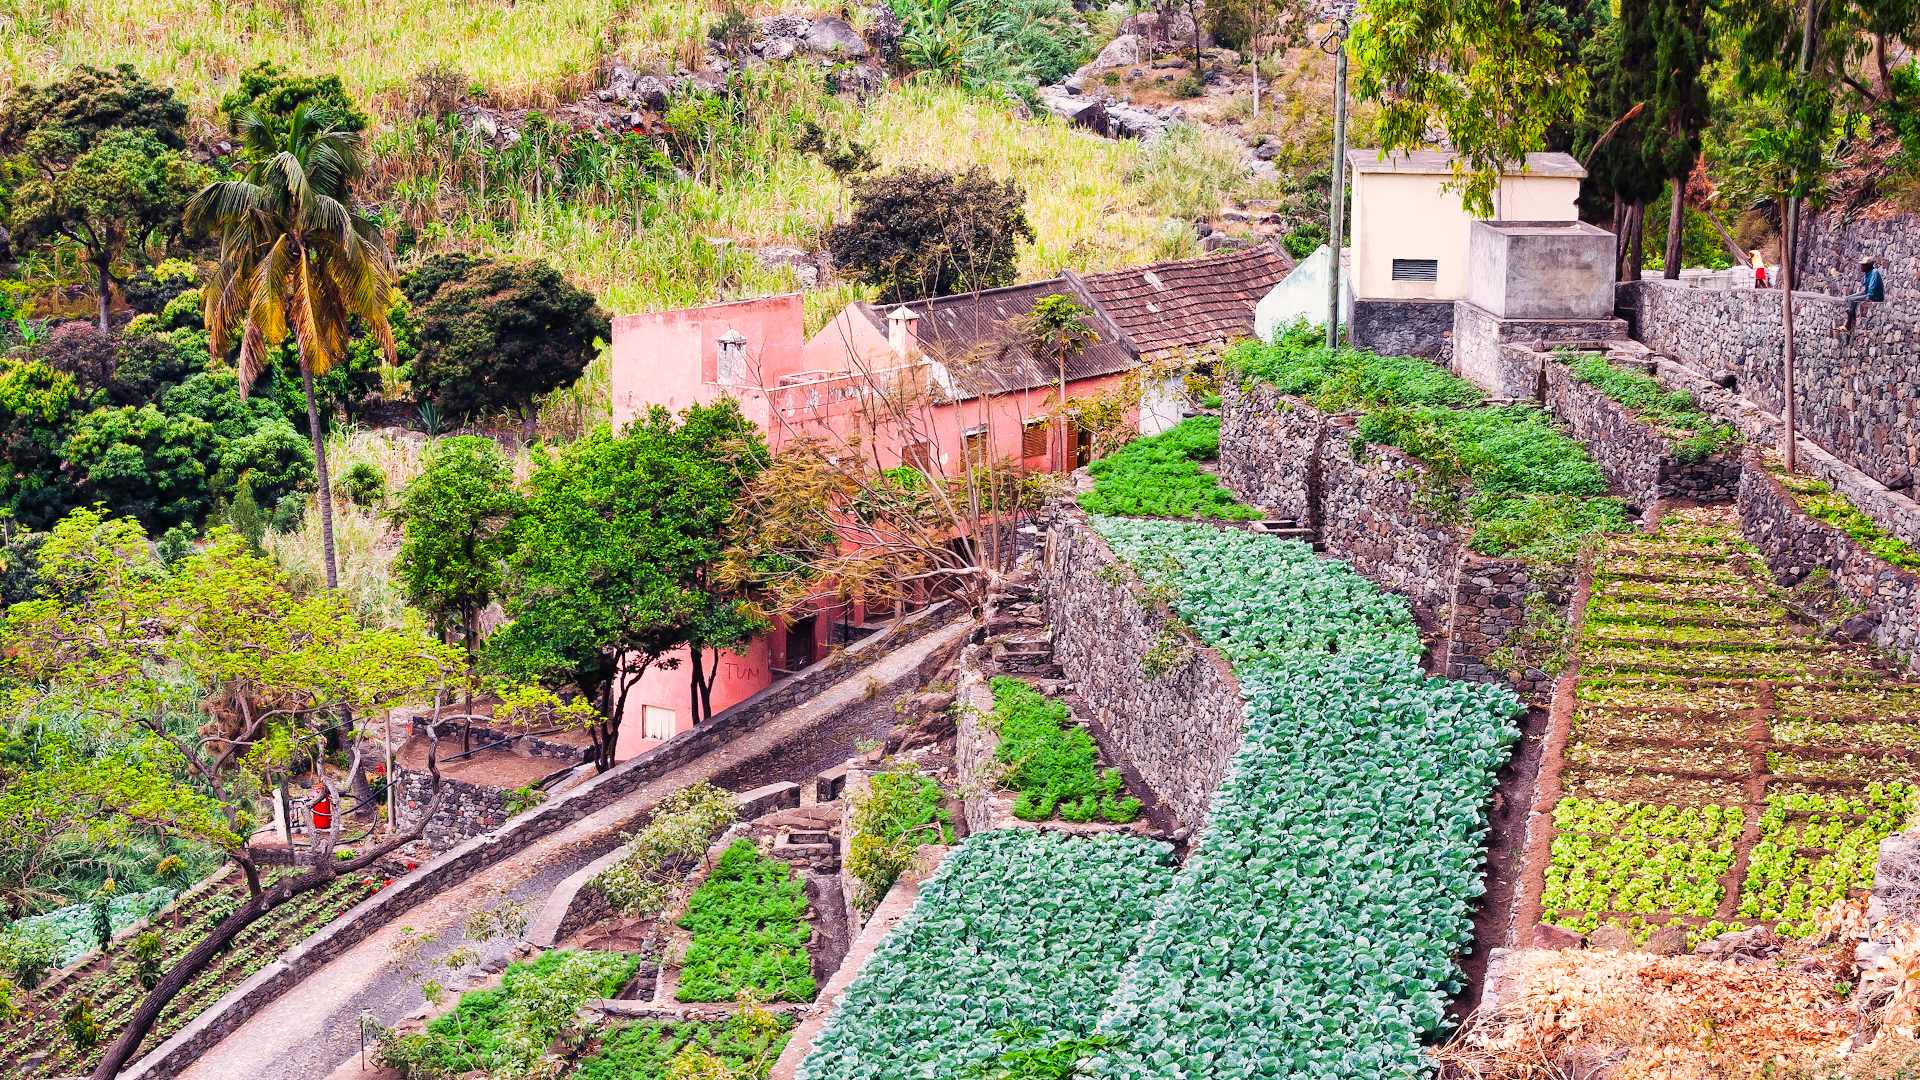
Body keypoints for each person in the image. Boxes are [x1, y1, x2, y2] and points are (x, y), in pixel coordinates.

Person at [1843, 257, 1885, 336]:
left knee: (1852, 300)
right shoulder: (1867, 273)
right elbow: (1866, 288)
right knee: (1848, 298)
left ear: (1868, 266)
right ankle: (1849, 317)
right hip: (1867, 292)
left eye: (1863, 265)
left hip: (1874, 296)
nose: (1861, 267)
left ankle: (1848, 323)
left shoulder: (1874, 272)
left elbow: (1872, 287)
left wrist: (1869, 298)